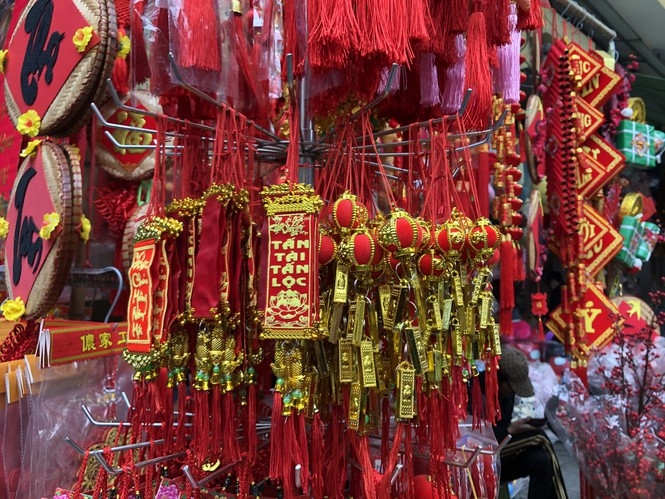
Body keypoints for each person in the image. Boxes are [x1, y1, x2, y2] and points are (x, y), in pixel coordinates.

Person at [494, 346, 568, 499]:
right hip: (487, 453)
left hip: (504, 450)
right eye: (513, 386)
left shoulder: (507, 394)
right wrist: (510, 430)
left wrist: (514, 427)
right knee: (539, 437)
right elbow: (480, 440)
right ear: (501, 379)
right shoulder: (479, 393)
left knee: (542, 460)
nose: (514, 391)